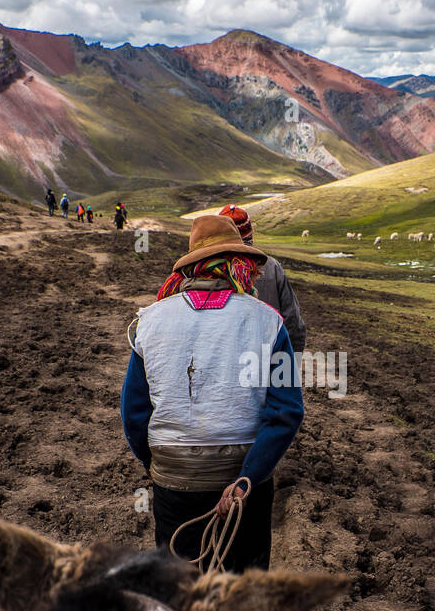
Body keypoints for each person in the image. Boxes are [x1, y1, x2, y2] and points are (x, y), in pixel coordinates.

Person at [121, 214, 303, 573]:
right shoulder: (268, 322)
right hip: (244, 482)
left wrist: (154, 464)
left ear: (192, 268)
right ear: (240, 265)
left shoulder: (150, 322)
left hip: (175, 478)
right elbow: (286, 412)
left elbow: (134, 413)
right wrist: (249, 474)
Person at [219, 204, 306, 354]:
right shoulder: (271, 266)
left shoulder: (207, 269)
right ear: (250, 235)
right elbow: (292, 321)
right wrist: (289, 364)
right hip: (266, 359)